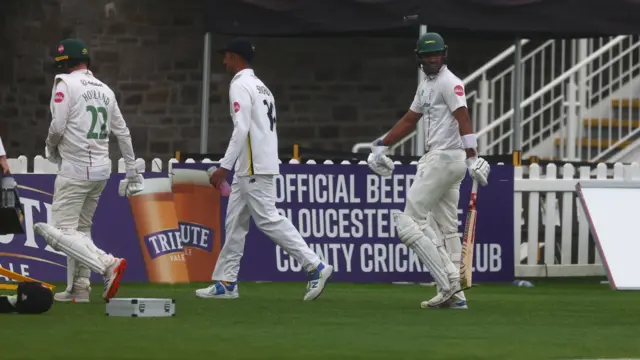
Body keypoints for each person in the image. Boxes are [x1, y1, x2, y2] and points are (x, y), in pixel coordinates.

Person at [196, 38, 333, 301]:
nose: (224, 61)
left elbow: (242, 129)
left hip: (253, 165)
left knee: (268, 218)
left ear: (236, 57)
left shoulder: (240, 85)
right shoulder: (262, 87)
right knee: (235, 222)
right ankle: (226, 282)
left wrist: (224, 167)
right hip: (257, 162)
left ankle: (315, 266)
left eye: (226, 56)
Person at [367, 32, 491, 309]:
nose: (433, 59)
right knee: (446, 228)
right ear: (419, 58)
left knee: (409, 223)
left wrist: (473, 156)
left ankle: (447, 283)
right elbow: (410, 119)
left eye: (436, 54)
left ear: (444, 54)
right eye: (427, 55)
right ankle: (457, 296)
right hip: (444, 161)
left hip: (445, 159)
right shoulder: (426, 85)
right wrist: (381, 143)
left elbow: (464, 117)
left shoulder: (450, 82)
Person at [32, 38, 144, 302]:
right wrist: (130, 170)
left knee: (60, 232)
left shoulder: (64, 83)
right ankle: (80, 288)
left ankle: (107, 264)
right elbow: (123, 133)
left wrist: (49, 147)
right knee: (81, 230)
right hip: (101, 171)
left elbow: (58, 126)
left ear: (64, 63)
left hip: (74, 168)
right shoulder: (105, 89)